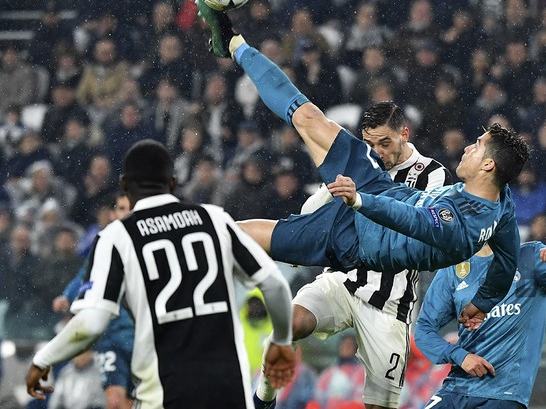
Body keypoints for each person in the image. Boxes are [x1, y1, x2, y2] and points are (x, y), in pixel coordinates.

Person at [197, 0, 530, 326]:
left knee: (249, 238)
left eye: (477, 147)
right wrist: (482, 302)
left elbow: (412, 220)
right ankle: (234, 43)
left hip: (355, 239)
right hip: (375, 186)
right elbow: (507, 259)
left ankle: (186, 245)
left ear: (489, 166)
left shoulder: (459, 228)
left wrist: (359, 200)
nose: (468, 148)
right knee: (310, 118)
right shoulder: (502, 203)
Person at [26, 139, 296, 408]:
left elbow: (91, 324)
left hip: (166, 393)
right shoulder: (214, 219)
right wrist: (282, 343)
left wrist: (44, 358)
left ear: (124, 185)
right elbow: (274, 284)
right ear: (173, 183)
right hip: (227, 391)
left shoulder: (116, 237)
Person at [254, 102, 452, 409]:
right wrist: (324, 202)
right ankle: (262, 401)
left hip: (390, 301)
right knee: (291, 322)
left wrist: (360, 200)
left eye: (385, 144)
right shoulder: (358, 163)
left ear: (404, 134)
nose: (378, 152)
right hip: (342, 280)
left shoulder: (434, 175)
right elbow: (311, 212)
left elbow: (420, 227)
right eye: (370, 144)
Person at [415, 242, 546, 408]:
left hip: (503, 393)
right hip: (456, 388)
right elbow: (424, 330)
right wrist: (461, 356)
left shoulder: (528, 256)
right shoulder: (454, 267)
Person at [52, 193, 133, 409]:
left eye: (130, 208)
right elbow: (86, 276)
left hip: (142, 333)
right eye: (122, 209)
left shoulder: (148, 242)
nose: (126, 214)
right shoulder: (104, 242)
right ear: (113, 213)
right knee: (115, 401)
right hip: (112, 333)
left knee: (139, 399)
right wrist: (67, 296)